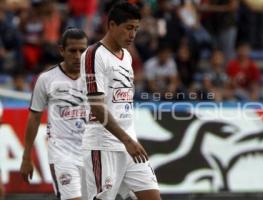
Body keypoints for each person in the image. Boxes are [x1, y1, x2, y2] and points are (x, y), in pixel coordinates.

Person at [80, 2, 161, 200]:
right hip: (103, 145)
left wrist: (129, 140)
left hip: (129, 145)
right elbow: (97, 108)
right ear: (112, 25)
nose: (133, 34)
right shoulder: (93, 55)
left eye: (136, 29)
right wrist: (126, 140)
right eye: (128, 28)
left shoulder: (126, 56)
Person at [20, 28, 88, 200]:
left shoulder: (96, 78)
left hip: (92, 152)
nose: (78, 55)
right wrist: (26, 157)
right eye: (72, 51)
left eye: (82, 50)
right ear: (61, 50)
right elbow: (34, 117)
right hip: (62, 153)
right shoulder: (46, 79)